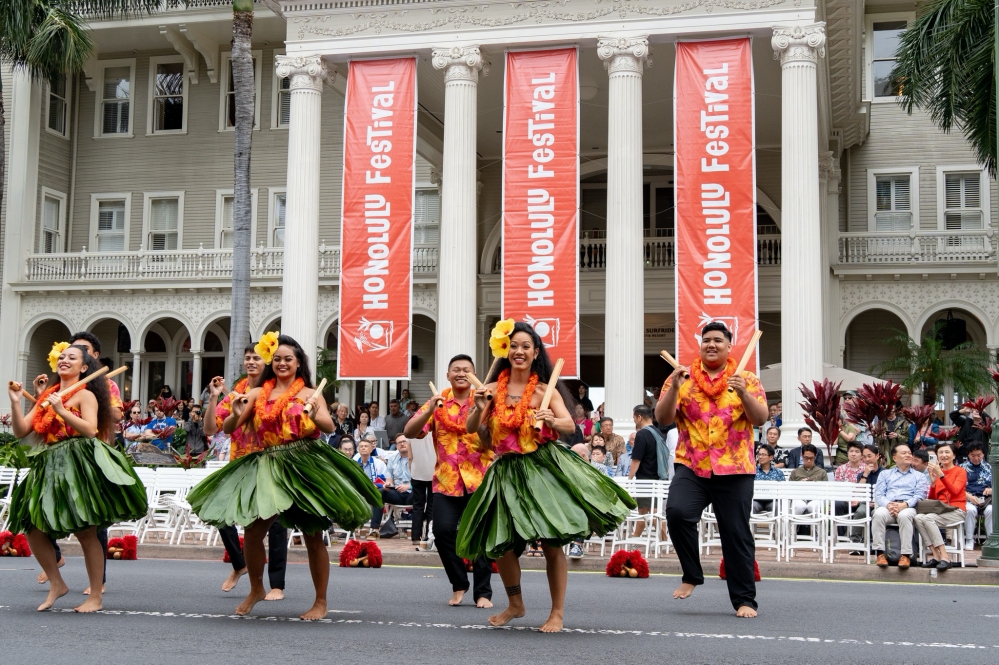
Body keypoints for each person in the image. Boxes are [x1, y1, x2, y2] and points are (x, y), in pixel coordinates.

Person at [188, 334, 382, 619]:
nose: (281, 363)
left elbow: (328, 426)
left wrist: (315, 414)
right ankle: (256, 588)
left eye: (288, 359)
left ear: (298, 362)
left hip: (305, 463)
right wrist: (236, 412)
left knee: (313, 535)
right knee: (253, 534)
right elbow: (229, 427)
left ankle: (320, 602)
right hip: (269, 464)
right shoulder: (256, 394)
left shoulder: (309, 394)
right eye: (277, 359)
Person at [461, 321, 635, 632]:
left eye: (526, 346)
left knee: (552, 542)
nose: (519, 351)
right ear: (505, 350)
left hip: (542, 468)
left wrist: (551, 417)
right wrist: (478, 407)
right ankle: (516, 603)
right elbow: (472, 428)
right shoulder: (489, 391)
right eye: (514, 346)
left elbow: (569, 425)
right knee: (502, 543)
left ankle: (557, 612)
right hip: (505, 471)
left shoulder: (544, 390)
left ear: (535, 352)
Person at [8, 343, 146, 612]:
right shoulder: (48, 396)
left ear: (84, 367)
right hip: (48, 465)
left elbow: (91, 430)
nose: (64, 360)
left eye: (72, 357)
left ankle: (95, 595)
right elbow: (21, 430)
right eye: (62, 356)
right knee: (33, 528)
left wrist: (61, 411)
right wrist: (16, 404)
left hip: (76, 463)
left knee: (86, 532)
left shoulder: (85, 396)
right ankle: (57, 584)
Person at [656, 321, 768, 618]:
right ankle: (691, 575)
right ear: (700, 345)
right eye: (706, 340)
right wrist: (674, 389)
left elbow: (760, 419)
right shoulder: (682, 377)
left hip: (734, 468)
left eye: (718, 340)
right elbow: (663, 418)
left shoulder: (747, 378)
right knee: (677, 512)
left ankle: (745, 600)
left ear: (729, 346)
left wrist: (744, 394)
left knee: (736, 533)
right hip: (692, 464)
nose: (712, 344)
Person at [404, 354, 494, 606]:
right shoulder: (439, 402)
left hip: (480, 479)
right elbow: (411, 431)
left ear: (474, 373)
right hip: (446, 481)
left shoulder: (485, 400)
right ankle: (459, 583)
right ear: (448, 375)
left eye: (467, 369)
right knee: (442, 531)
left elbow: (493, 441)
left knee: (481, 535)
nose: (461, 373)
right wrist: (430, 410)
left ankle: (483, 593)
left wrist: (481, 410)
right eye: (456, 369)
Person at [203, 346, 288, 598]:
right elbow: (210, 430)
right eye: (248, 358)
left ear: (268, 362)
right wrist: (213, 398)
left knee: (275, 523)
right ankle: (240, 565)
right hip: (240, 465)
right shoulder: (236, 393)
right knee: (222, 515)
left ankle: (276, 585)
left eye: (257, 358)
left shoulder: (274, 392)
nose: (251, 361)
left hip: (271, 463)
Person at [872, 443, 930, 569]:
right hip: (889, 506)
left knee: (904, 516)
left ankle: (905, 555)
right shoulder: (885, 474)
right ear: (894, 457)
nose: (908, 455)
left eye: (909, 453)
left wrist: (904, 504)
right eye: (904, 453)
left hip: (908, 507)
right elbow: (879, 494)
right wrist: (888, 505)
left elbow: (920, 495)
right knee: (878, 514)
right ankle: (880, 553)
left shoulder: (919, 476)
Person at [913, 441, 966, 570]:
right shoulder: (938, 473)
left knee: (928, 518)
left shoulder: (960, 471)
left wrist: (942, 476)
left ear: (954, 455)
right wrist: (933, 482)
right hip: (940, 510)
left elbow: (954, 491)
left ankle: (945, 556)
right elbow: (932, 500)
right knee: (918, 518)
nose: (944, 455)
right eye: (941, 452)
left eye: (947, 452)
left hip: (956, 510)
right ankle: (936, 555)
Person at [371, 433, 414, 536]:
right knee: (380, 492)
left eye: (404, 441)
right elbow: (389, 479)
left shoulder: (416, 457)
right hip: (398, 493)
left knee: (420, 492)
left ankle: (418, 531)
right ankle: (374, 529)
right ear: (396, 445)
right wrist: (388, 484)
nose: (402, 444)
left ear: (409, 443)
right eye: (399, 442)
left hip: (413, 493)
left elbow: (422, 479)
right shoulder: (392, 458)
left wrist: (409, 486)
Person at [628, 404, 661, 536]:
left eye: (634, 418)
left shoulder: (641, 434)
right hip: (657, 477)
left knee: (651, 510)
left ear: (639, 417)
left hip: (645, 479)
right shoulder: (658, 432)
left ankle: (664, 538)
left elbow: (636, 459)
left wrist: (629, 478)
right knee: (644, 510)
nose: (634, 420)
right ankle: (635, 537)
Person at [962, 443, 993, 550]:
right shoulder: (961, 468)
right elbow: (957, 488)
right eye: (973, 455)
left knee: (991, 510)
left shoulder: (991, 467)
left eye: (979, 455)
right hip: (968, 499)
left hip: (987, 499)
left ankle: (991, 540)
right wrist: (968, 496)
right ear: (968, 455)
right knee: (969, 510)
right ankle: (969, 539)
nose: (976, 458)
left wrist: (992, 490)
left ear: (983, 454)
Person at [789, 443, 828, 517]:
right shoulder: (795, 472)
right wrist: (800, 484)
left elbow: (825, 491)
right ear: (802, 456)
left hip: (816, 498)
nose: (809, 461)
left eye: (811, 458)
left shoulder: (822, 472)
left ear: (815, 457)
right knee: (800, 506)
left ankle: (817, 528)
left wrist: (815, 485)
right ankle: (793, 528)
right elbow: (789, 489)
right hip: (799, 498)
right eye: (806, 458)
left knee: (813, 507)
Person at [753, 444, 784, 513]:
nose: (760, 457)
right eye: (759, 454)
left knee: (777, 506)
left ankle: (777, 524)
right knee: (752, 506)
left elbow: (783, 490)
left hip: (772, 501)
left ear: (771, 457)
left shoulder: (778, 473)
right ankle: (751, 524)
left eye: (763, 455)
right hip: (757, 500)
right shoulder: (753, 472)